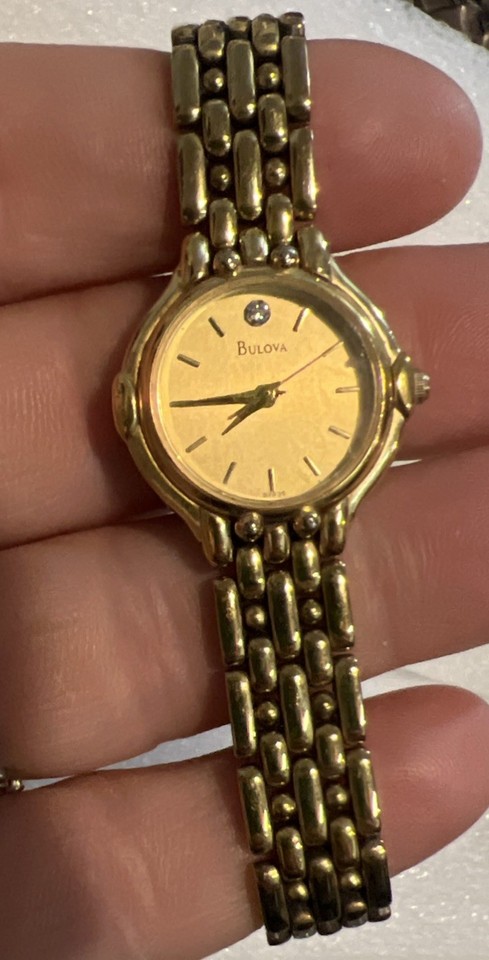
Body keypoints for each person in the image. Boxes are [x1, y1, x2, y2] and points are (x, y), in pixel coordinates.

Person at [0, 37, 487, 960]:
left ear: (395, 388)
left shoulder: (341, 345)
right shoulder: (181, 371)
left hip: (300, 505)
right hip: (236, 505)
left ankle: (323, 874)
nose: (264, 394)